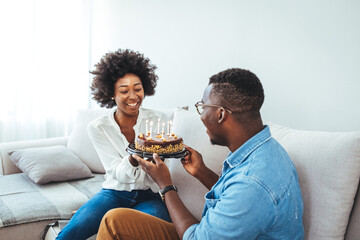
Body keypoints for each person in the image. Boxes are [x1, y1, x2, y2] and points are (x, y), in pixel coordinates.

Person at [96, 68, 305, 240]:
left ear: (220, 114)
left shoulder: (252, 182)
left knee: (113, 222)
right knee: (114, 220)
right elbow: (234, 197)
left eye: (202, 107)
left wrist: (165, 186)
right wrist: (201, 172)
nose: (201, 115)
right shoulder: (265, 149)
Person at [56, 49, 172, 240]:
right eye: (124, 91)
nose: (133, 96)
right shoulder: (98, 127)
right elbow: (116, 171)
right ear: (110, 93)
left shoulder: (159, 120)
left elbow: (163, 163)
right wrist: (135, 159)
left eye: (138, 88)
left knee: (149, 233)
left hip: (151, 195)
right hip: (115, 193)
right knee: (70, 234)